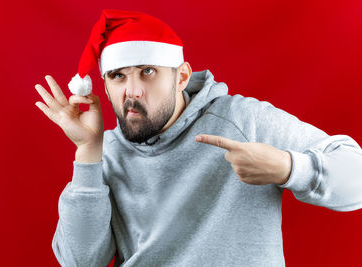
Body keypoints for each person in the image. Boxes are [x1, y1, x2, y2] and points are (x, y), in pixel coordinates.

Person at [34, 9, 362, 267]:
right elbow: (79, 262)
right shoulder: (106, 154)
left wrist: (289, 168)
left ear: (182, 77)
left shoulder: (242, 120)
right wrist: (88, 151)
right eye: (119, 76)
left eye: (148, 71)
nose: (132, 92)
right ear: (104, 86)